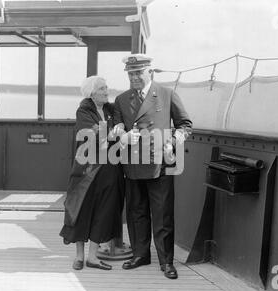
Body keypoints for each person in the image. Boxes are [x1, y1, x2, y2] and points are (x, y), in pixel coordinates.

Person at [113, 54, 192, 279]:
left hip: (161, 164)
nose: (134, 77)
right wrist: (123, 134)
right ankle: (140, 254)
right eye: (130, 73)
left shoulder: (167, 94)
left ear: (151, 72)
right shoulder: (121, 100)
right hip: (133, 164)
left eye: (138, 72)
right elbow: (118, 127)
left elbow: (185, 125)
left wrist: (172, 142)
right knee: (136, 212)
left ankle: (166, 262)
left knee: (162, 214)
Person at [60, 76, 125, 271]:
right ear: (91, 93)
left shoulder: (110, 109)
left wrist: (119, 127)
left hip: (109, 168)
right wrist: (114, 131)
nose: (107, 91)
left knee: (103, 211)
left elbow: (119, 123)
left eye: (106, 87)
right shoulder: (84, 110)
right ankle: (79, 256)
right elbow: (91, 134)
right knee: (81, 209)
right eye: (102, 89)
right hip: (87, 170)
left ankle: (92, 257)